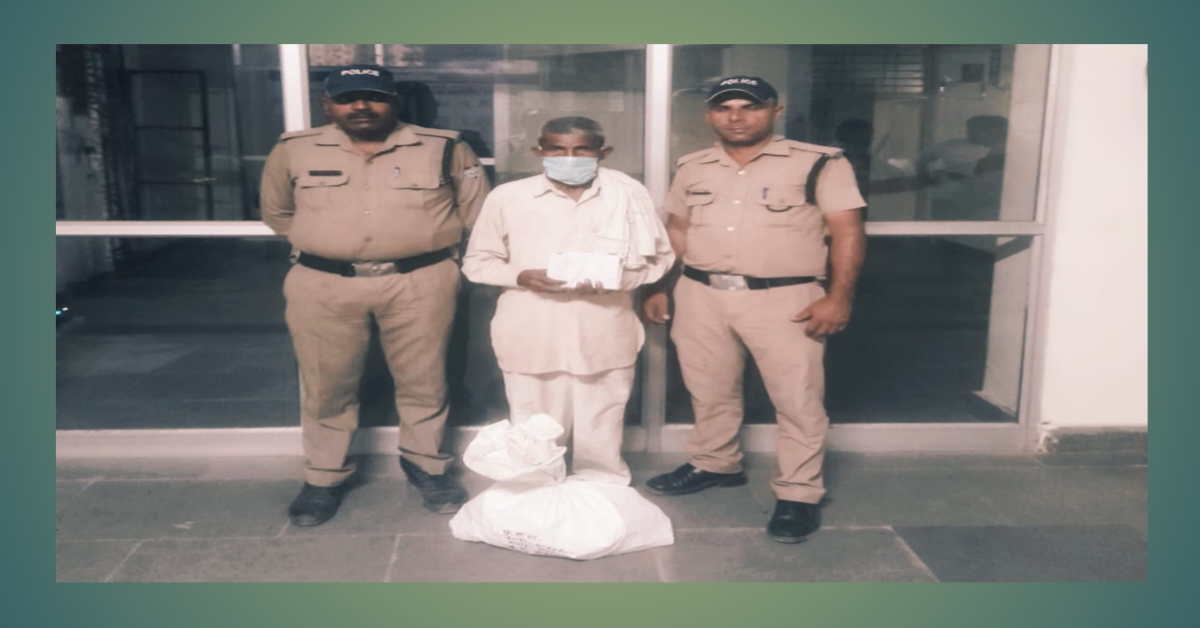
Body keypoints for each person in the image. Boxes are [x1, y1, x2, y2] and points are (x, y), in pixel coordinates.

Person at [260, 64, 490, 526]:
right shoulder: (294, 149)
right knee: (327, 384)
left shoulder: (445, 147)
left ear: (393, 102)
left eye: (373, 96)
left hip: (421, 280)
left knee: (425, 380)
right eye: (347, 98)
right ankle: (324, 476)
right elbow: (277, 213)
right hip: (323, 283)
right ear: (328, 105)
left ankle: (427, 466)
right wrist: (332, 245)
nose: (361, 106)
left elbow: (479, 215)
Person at [642, 76, 867, 542]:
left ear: (775, 111)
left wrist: (839, 296)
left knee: (797, 399)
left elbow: (847, 231)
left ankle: (799, 493)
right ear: (709, 114)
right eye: (724, 108)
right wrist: (662, 285)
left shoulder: (819, 162)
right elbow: (678, 230)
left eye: (751, 107)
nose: (737, 117)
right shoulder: (693, 166)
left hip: (785, 298)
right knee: (709, 388)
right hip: (700, 293)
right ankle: (715, 462)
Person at [462, 116, 675, 485]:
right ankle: (535, 488)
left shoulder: (627, 194)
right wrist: (521, 276)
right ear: (539, 151)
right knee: (533, 425)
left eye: (582, 150)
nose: (569, 158)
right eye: (558, 150)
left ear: (603, 152)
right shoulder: (508, 198)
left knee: (603, 423)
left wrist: (618, 280)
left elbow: (660, 258)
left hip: (603, 328)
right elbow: (477, 262)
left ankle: (603, 489)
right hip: (532, 330)